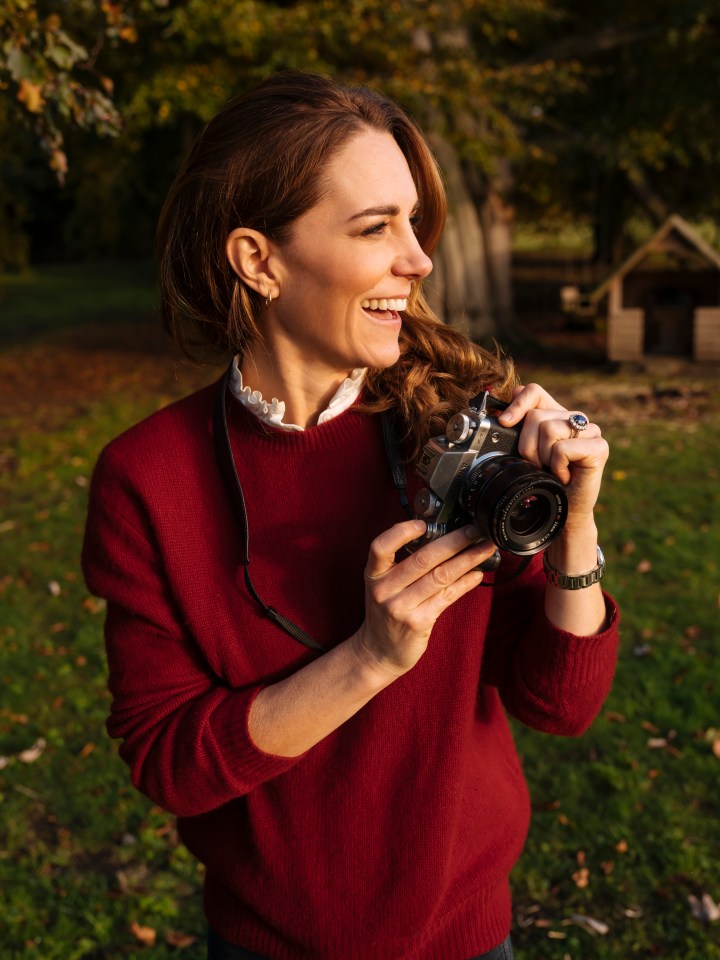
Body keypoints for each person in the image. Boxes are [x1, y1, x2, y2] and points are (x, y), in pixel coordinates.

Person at [82, 71, 619, 960]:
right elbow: (170, 759)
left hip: (468, 937)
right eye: (377, 228)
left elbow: (559, 704)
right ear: (259, 259)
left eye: (414, 221)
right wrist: (369, 659)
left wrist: (575, 527)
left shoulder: (462, 430)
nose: (420, 259)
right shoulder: (149, 479)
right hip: (266, 943)